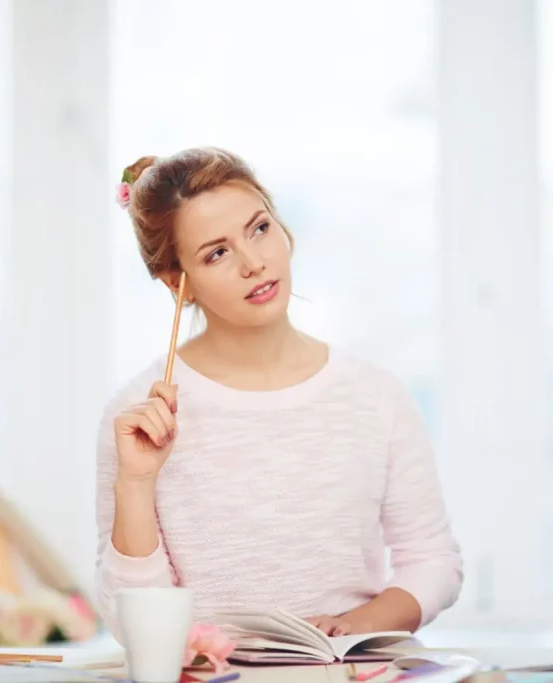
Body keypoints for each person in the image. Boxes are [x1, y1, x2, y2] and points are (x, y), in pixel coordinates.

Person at [95, 147, 463, 643]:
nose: (254, 262)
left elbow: (433, 561)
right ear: (176, 283)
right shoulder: (138, 417)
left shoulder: (376, 396)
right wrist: (136, 484)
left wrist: (356, 627)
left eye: (259, 228)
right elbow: (132, 628)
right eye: (217, 253)